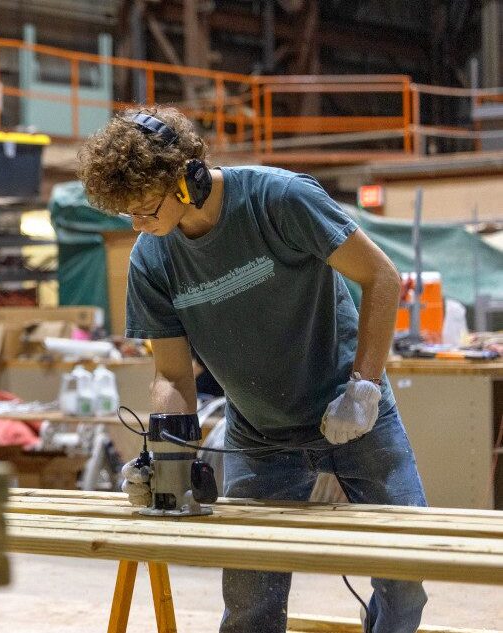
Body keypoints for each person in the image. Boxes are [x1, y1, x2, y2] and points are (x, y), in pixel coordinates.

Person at [78, 106, 427, 633]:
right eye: (128, 213)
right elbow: (173, 375)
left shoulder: (281, 200)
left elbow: (381, 277)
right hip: (259, 432)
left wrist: (364, 387)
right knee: (249, 603)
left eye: (145, 208)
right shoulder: (152, 259)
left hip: (353, 412)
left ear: (187, 178)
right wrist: (167, 455)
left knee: (404, 585)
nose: (139, 224)